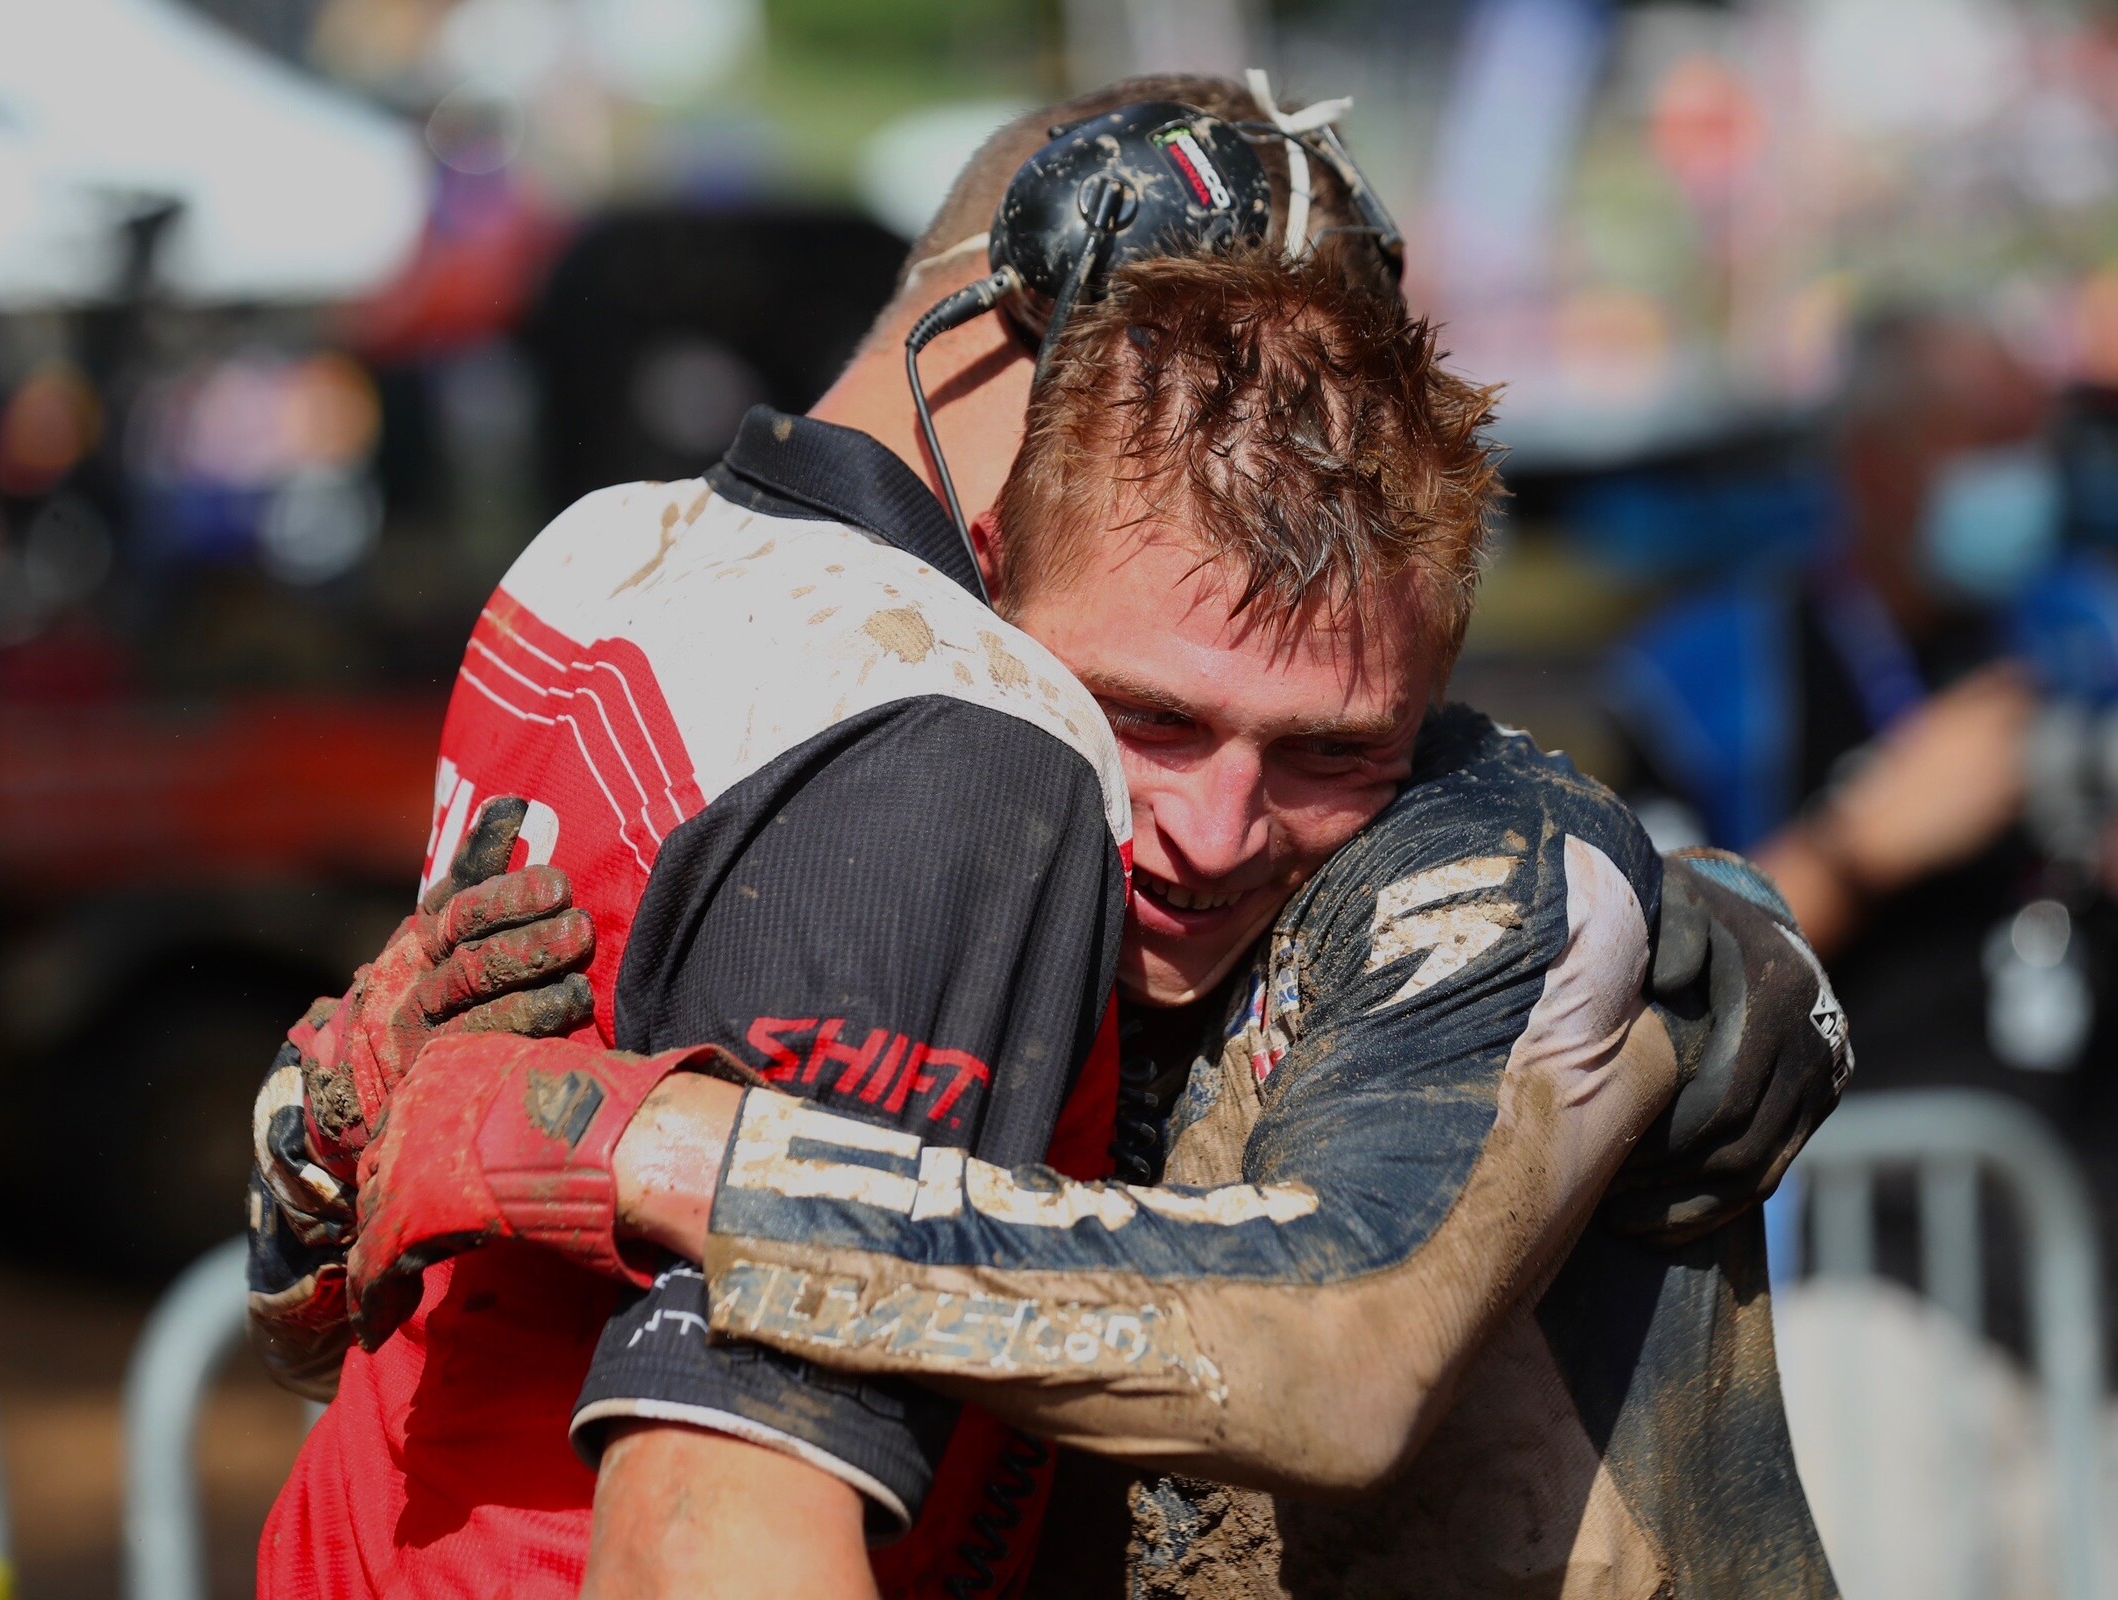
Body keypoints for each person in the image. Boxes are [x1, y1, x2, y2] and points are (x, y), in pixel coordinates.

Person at [339, 247, 1846, 1599]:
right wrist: (325, 1123)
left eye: (1332, 749)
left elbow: (1338, 1351)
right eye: (1152, 718)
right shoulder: (925, 795)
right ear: (989, 596)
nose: (1215, 829)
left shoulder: (1478, 855)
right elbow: (346, 1299)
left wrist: (641, 1150)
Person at [1604, 307, 2118, 1383]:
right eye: (1985, 438)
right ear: (1872, 462)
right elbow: (1647, 1007)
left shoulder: (2095, 628)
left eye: (2035, 438)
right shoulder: (1707, 675)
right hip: (1872, 1313)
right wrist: (1864, 845)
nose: (2023, 475)